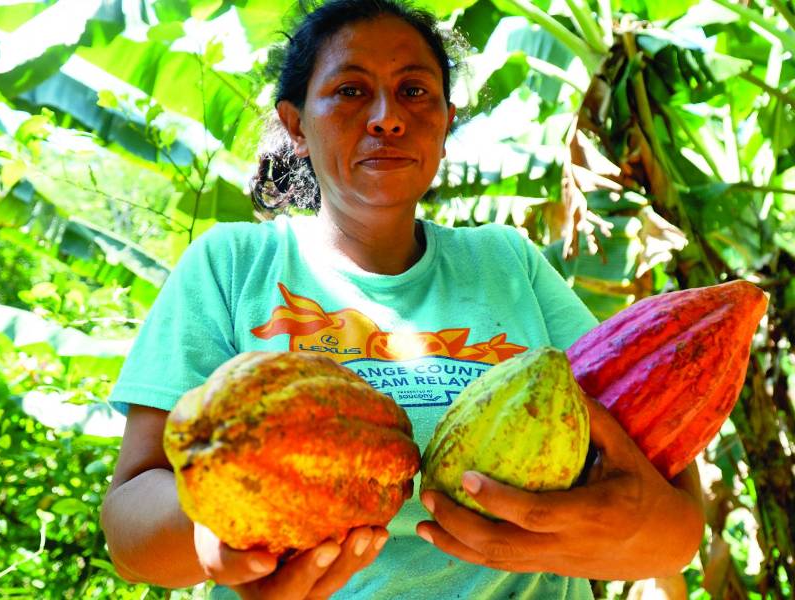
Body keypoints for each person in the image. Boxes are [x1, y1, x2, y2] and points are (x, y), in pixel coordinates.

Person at [99, 1, 706, 598]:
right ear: (296, 124)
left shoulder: (509, 263)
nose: (387, 118)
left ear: (446, 122)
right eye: (350, 91)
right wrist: (221, 533)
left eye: (415, 91)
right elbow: (129, 535)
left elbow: (672, 527)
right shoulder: (233, 264)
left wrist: (595, 532)